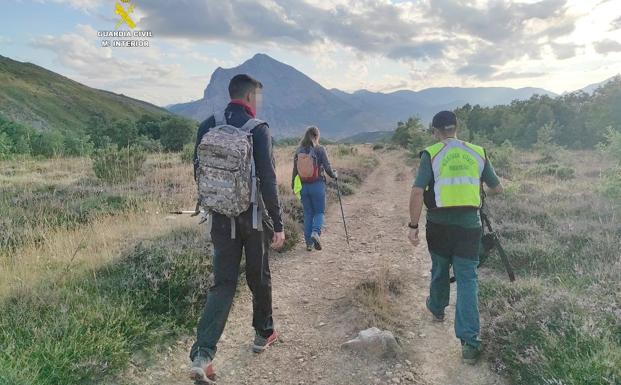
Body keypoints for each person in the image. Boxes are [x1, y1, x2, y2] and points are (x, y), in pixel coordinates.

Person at [189, 74, 285, 383]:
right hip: (252, 218)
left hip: (220, 218)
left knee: (223, 283)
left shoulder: (208, 124)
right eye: (257, 96)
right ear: (249, 97)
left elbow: (198, 170)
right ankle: (263, 333)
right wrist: (279, 223)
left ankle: (203, 355)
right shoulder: (258, 130)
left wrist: (218, 202)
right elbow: (268, 180)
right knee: (258, 276)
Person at [408, 111, 503, 364]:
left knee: (439, 268)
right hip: (469, 228)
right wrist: (478, 193)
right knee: (468, 280)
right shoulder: (477, 152)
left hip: (439, 226)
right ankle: (470, 343)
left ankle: (437, 309)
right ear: (457, 128)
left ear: (435, 131)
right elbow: (497, 188)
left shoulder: (432, 153)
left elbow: (418, 191)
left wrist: (413, 225)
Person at [291, 126, 337, 251]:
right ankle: (316, 233)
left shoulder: (298, 150)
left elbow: (295, 171)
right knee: (319, 212)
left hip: (303, 187)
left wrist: (293, 186)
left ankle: (308, 244)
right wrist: (334, 175)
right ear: (316, 136)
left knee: (308, 213)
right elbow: (327, 168)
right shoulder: (320, 149)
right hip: (317, 185)